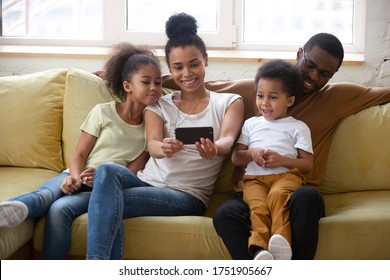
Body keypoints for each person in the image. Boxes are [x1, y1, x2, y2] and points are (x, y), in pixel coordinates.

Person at [213, 32, 390, 260]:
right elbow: (207, 87)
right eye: (310, 65)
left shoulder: (336, 97)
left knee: (306, 199)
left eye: (324, 73)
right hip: (251, 191)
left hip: (297, 192)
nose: (314, 77)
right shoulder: (258, 89)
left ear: (333, 75)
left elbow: (382, 94)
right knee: (225, 214)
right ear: (299, 54)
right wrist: (157, 85)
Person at [85, 12, 244, 260]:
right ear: (170, 69)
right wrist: (164, 147)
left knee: (104, 202)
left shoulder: (229, 102)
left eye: (194, 64)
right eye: (177, 67)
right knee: (106, 170)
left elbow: (227, 139)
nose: (187, 73)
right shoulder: (159, 104)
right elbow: (153, 144)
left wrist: (216, 148)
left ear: (206, 61)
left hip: (186, 195)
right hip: (147, 182)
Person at [0, 42, 162, 259]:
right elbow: (79, 155)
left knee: (58, 211)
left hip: (105, 189)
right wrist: (74, 178)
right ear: (127, 86)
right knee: (44, 197)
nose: (153, 87)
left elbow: (132, 172)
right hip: (76, 175)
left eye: (158, 82)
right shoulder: (103, 112)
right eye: (146, 81)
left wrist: (103, 181)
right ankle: (12, 211)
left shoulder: (152, 129)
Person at [232, 59, 313, 260]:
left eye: (273, 97)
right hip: (254, 180)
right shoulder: (251, 124)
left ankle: (280, 242)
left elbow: (308, 165)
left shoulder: (298, 127)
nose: (264, 103)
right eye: (260, 96)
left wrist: (282, 160)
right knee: (258, 207)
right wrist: (252, 153)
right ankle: (260, 250)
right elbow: (236, 157)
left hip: (286, 176)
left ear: (289, 101)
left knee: (278, 196)